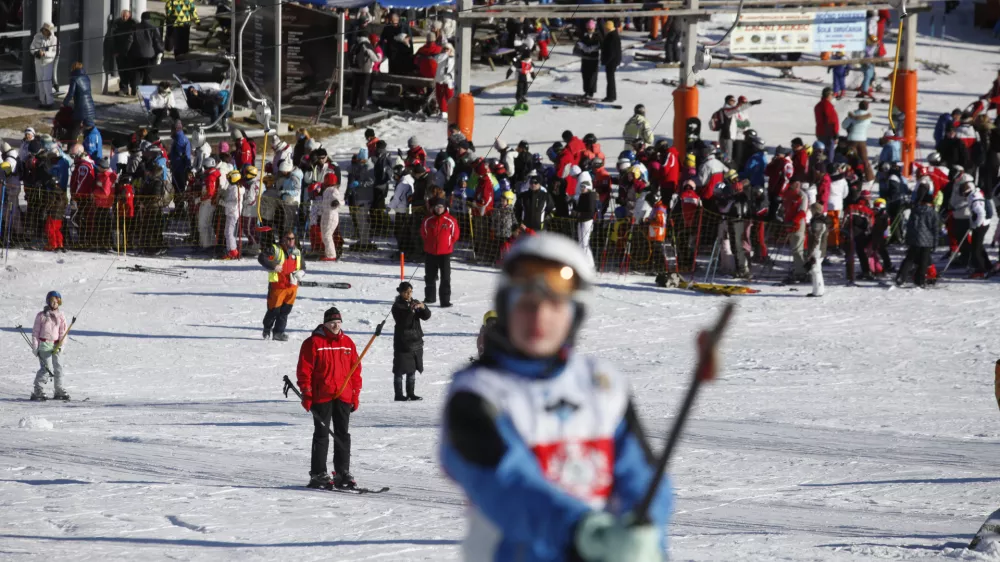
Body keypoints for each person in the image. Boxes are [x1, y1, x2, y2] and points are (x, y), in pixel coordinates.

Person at [439, 233, 676, 562]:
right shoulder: (477, 396)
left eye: (554, 305)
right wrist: (585, 533)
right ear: (506, 307)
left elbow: (641, 474)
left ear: (575, 313)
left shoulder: (602, 385)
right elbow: (508, 486)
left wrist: (645, 531)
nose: (539, 318)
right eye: (526, 304)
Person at [296, 306, 361, 490]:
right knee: (322, 435)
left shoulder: (348, 342)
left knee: (343, 435)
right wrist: (306, 393)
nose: (335, 326)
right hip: (322, 395)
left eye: (338, 323)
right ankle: (318, 473)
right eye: (332, 323)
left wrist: (355, 393)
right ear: (325, 324)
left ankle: (342, 473)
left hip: (343, 395)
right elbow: (304, 370)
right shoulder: (313, 343)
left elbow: (355, 371)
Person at [391, 281, 432, 402]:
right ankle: (398, 394)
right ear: (401, 293)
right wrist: (411, 310)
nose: (409, 294)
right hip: (403, 342)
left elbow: (426, 316)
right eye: (406, 292)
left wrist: (423, 307)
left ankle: (411, 393)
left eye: (410, 292)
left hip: (416, 341)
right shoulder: (397, 306)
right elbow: (403, 321)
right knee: (399, 369)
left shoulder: (414, 302)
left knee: (412, 368)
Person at [262, 231, 305, 341]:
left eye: (293, 238)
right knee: (273, 310)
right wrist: (273, 266)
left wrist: (301, 273)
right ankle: (267, 328)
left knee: (285, 312)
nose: (291, 241)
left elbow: (303, 266)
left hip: (292, 287)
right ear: (283, 239)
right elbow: (262, 258)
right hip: (277, 286)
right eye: (288, 238)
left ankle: (278, 332)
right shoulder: (275, 249)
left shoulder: (297, 252)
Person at [30, 291, 69, 401]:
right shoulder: (41, 316)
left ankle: (59, 390)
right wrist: (35, 347)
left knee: (58, 368)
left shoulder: (61, 316)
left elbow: (63, 332)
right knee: (46, 369)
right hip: (44, 344)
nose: (54, 304)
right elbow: (35, 332)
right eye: (52, 301)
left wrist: (61, 345)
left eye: (57, 302)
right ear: (48, 302)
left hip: (56, 345)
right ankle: (38, 390)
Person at [421, 197, 459, 307]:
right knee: (430, 276)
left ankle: (445, 300)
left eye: (441, 207)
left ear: (445, 208)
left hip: (445, 254)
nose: (439, 209)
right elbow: (424, 234)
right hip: (430, 252)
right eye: (437, 207)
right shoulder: (428, 220)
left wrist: (447, 244)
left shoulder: (451, 221)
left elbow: (455, 236)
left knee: (445, 277)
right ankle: (430, 297)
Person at [896, 189, 939, 287]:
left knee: (909, 258)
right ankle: (920, 280)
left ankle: (901, 277)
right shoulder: (933, 213)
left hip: (914, 239)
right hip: (927, 241)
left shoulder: (915, 210)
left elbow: (909, 225)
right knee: (924, 261)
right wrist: (935, 243)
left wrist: (908, 239)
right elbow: (935, 229)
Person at [128, 12, 164, 93]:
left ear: (141, 18)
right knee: (147, 75)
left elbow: (129, 41)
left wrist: (127, 52)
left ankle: (135, 91)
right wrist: (160, 51)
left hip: (136, 55)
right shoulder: (153, 28)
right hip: (149, 56)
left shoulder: (134, 28)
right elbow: (157, 42)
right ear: (149, 19)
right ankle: (146, 92)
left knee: (136, 75)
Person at [842, 101, 874, 181]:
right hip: (862, 140)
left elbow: (844, 125)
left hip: (852, 140)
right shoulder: (868, 117)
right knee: (865, 160)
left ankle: (849, 176)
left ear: (859, 106)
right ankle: (869, 177)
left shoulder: (852, 115)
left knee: (851, 159)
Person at [30, 23, 58, 109]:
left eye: (47, 30)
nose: (44, 31)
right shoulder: (37, 36)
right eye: (44, 29)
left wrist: (45, 54)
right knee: (40, 81)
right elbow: (31, 47)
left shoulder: (54, 39)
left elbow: (55, 53)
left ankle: (50, 102)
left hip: (48, 62)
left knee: (46, 81)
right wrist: (35, 52)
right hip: (38, 62)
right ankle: (42, 101)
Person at [349, 35, 379, 112]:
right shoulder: (367, 45)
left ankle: (353, 104)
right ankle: (362, 106)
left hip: (355, 69)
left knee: (355, 87)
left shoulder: (355, 44)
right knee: (364, 88)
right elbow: (375, 59)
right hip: (365, 70)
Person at [109, 10, 136, 95]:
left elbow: (131, 39)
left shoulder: (133, 23)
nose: (124, 18)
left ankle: (133, 89)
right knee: (122, 71)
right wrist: (115, 51)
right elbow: (113, 37)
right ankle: (124, 88)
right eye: (123, 16)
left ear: (129, 16)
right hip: (120, 52)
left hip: (130, 52)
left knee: (130, 71)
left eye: (126, 16)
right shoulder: (117, 23)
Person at [574, 20, 601, 98]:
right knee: (585, 75)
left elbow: (599, 45)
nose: (590, 30)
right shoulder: (583, 36)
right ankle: (586, 91)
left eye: (591, 28)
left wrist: (588, 48)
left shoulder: (597, 36)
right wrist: (584, 47)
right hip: (585, 59)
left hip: (594, 59)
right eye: (589, 28)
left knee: (593, 76)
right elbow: (579, 44)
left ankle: (591, 91)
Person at [807, 203, 827, 297]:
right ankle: (818, 290)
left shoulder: (818, 222)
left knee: (815, 269)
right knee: (816, 269)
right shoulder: (820, 220)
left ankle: (818, 290)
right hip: (820, 248)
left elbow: (816, 238)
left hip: (817, 248)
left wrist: (811, 251)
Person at [600, 21, 621, 103]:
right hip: (613, 61)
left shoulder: (612, 36)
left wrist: (605, 61)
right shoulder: (613, 35)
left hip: (611, 61)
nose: (604, 30)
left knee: (610, 80)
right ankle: (611, 95)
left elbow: (611, 52)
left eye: (605, 28)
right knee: (610, 79)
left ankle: (611, 96)